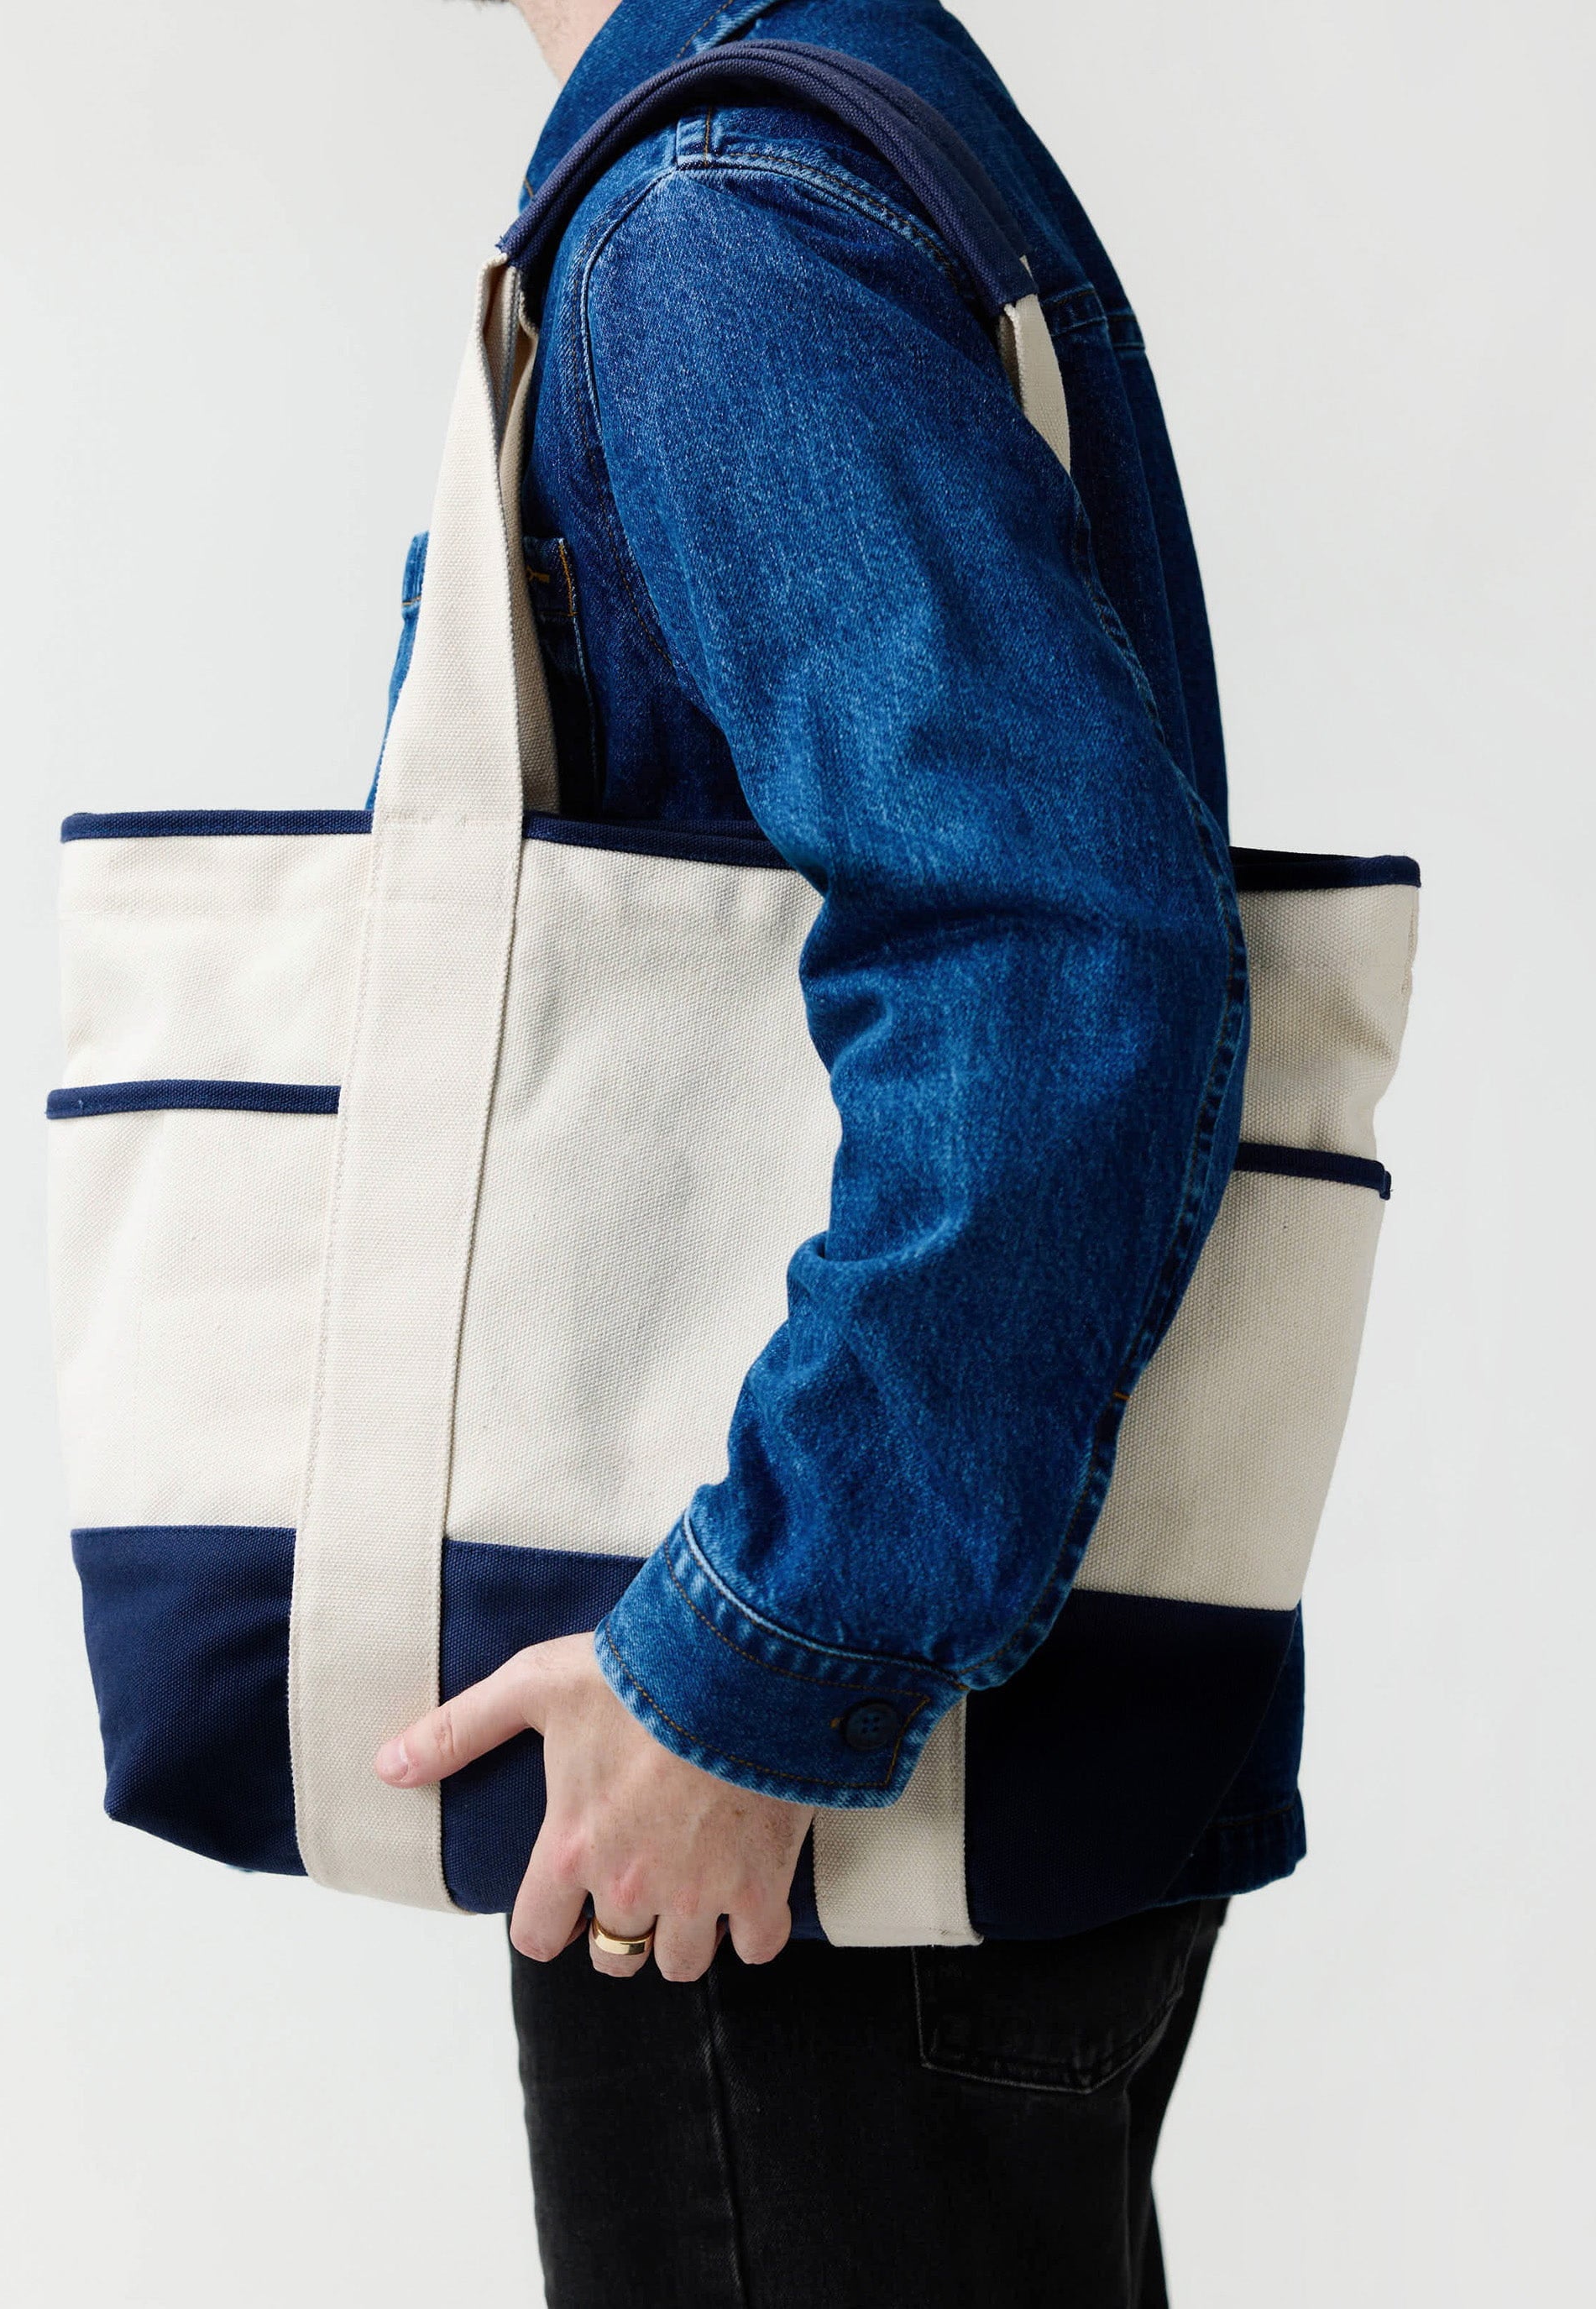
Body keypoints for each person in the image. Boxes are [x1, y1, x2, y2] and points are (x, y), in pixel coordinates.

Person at [371, 2, 1279, 2301]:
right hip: (925, 1760)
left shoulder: (711, 227)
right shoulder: (839, 121)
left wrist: (754, 1662)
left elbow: (1060, 946)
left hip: (798, 1816)